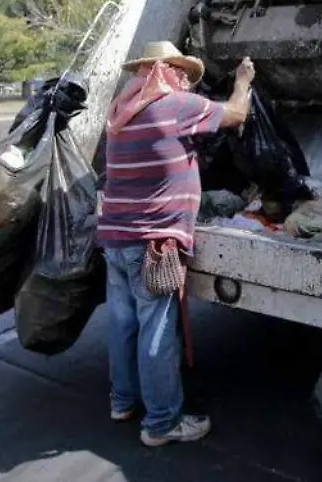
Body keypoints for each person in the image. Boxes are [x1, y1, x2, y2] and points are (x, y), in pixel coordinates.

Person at [96, 40, 255, 447]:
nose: (184, 80)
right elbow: (237, 115)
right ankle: (162, 422)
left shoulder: (120, 111)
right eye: (179, 72)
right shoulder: (175, 106)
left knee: (122, 323)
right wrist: (243, 82)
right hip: (152, 243)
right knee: (157, 330)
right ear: (162, 71)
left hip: (115, 236)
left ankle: (123, 401)